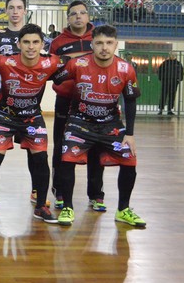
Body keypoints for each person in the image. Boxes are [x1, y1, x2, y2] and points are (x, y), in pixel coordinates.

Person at [54, 25, 145, 228]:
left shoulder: (126, 69)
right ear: (92, 44)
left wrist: (129, 134)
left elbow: (130, 101)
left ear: (116, 45)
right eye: (99, 43)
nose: (104, 47)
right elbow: (55, 78)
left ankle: (123, 209)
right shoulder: (78, 64)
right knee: (67, 157)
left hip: (110, 125)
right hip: (79, 122)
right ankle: (67, 207)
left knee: (130, 158)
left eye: (109, 43)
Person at [0, 24, 66, 223]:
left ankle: (41, 206)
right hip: (3, 115)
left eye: (36, 42)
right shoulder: (4, 61)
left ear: (43, 44)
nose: (31, 46)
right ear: (18, 44)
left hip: (32, 117)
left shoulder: (51, 63)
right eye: (26, 42)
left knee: (41, 160)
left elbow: (74, 65)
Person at [48, 1, 105, 211]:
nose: (78, 16)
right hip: (66, 101)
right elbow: (52, 72)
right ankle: (60, 192)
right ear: (68, 18)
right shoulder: (58, 42)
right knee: (61, 146)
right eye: (73, 14)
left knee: (96, 148)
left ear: (88, 16)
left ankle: (96, 195)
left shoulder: (98, 38)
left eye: (82, 13)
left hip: (95, 102)